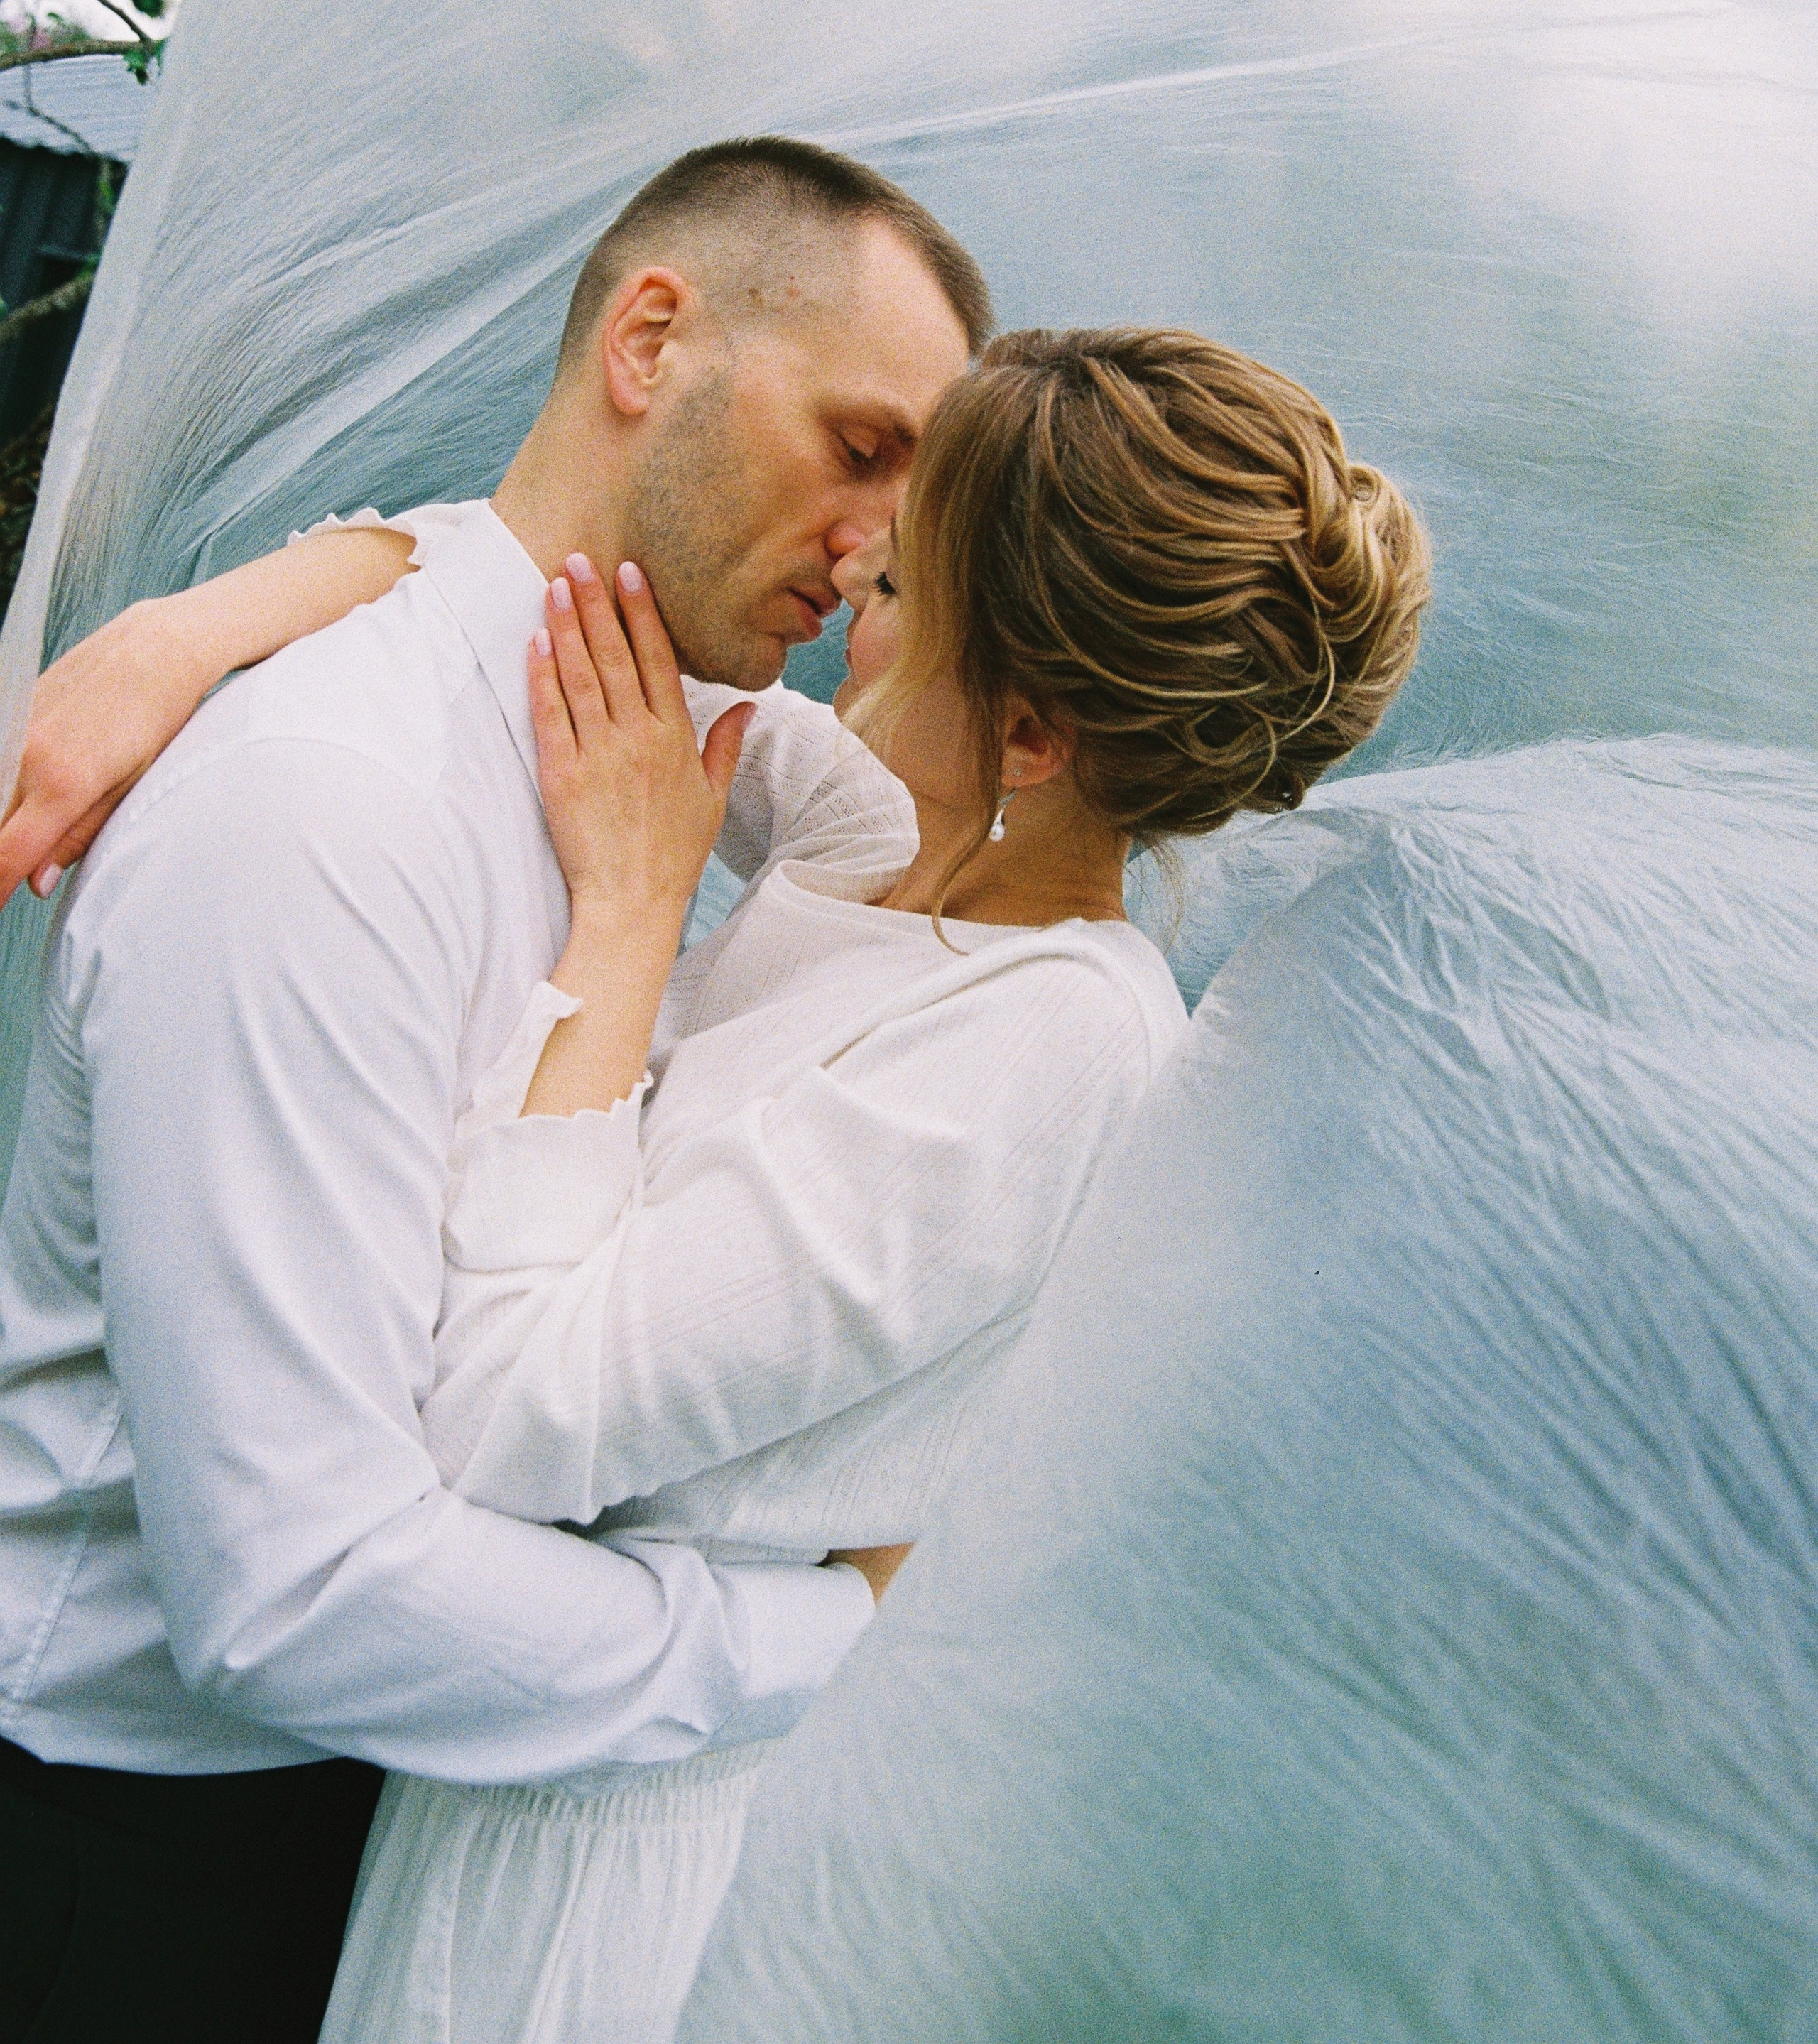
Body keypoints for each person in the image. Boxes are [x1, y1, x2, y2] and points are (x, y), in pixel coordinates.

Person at [4, 308, 1430, 2040]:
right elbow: (554, 612)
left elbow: (498, 1417)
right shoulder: (873, 847)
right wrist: (198, 625)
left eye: (897, 591)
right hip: (498, 1760)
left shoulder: (1053, 1048)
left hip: (596, 1896)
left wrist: (628, 916)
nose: (840, 600)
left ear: (1035, 735)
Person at [0, 138, 990, 2044]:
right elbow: (291, 1585)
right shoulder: (328, 808)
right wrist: (830, 1628)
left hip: (377, 1803)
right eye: (862, 446)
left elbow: (974, 822)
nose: (881, 542)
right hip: (122, 1861)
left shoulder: (647, 716)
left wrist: (306, 567)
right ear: (649, 342)